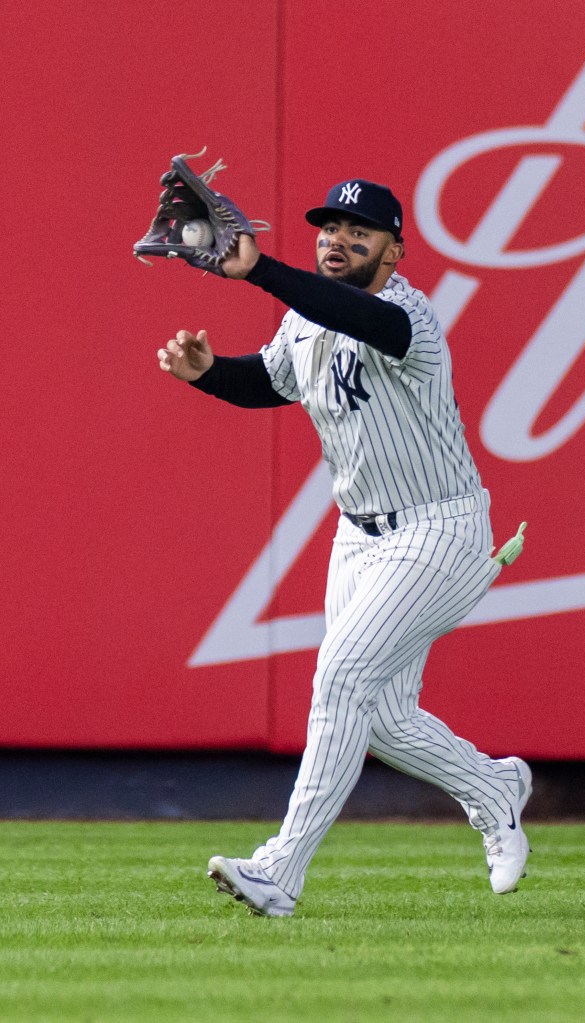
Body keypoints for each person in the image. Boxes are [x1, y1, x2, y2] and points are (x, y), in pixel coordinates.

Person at [157, 179, 532, 917]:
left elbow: (357, 317)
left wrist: (258, 271)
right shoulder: (305, 322)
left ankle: (278, 870)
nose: (338, 239)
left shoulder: (407, 313)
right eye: (329, 227)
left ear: (394, 250)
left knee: (340, 676)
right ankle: (493, 786)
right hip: (357, 539)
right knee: (383, 717)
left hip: (440, 529)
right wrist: (209, 375)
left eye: (359, 232)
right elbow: (269, 381)